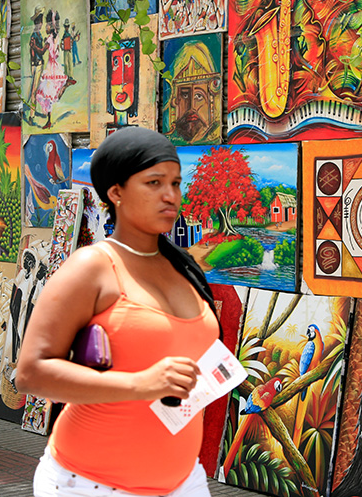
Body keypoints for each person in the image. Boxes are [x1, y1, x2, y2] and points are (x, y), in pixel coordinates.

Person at [17, 127, 220, 497]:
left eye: (175, 183)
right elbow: (30, 374)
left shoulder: (184, 267)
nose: (170, 195)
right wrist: (139, 385)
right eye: (154, 182)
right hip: (90, 484)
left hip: (184, 481)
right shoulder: (93, 267)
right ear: (116, 192)